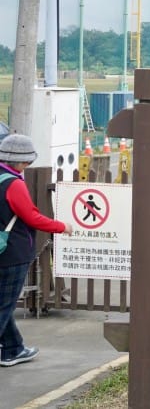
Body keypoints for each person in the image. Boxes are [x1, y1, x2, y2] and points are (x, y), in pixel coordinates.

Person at [1, 134, 72, 367]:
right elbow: (31, 217)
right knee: (4, 306)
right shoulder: (13, 184)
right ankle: (12, 350)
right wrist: (61, 226)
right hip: (12, 253)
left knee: (4, 304)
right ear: (24, 161)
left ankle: (12, 350)